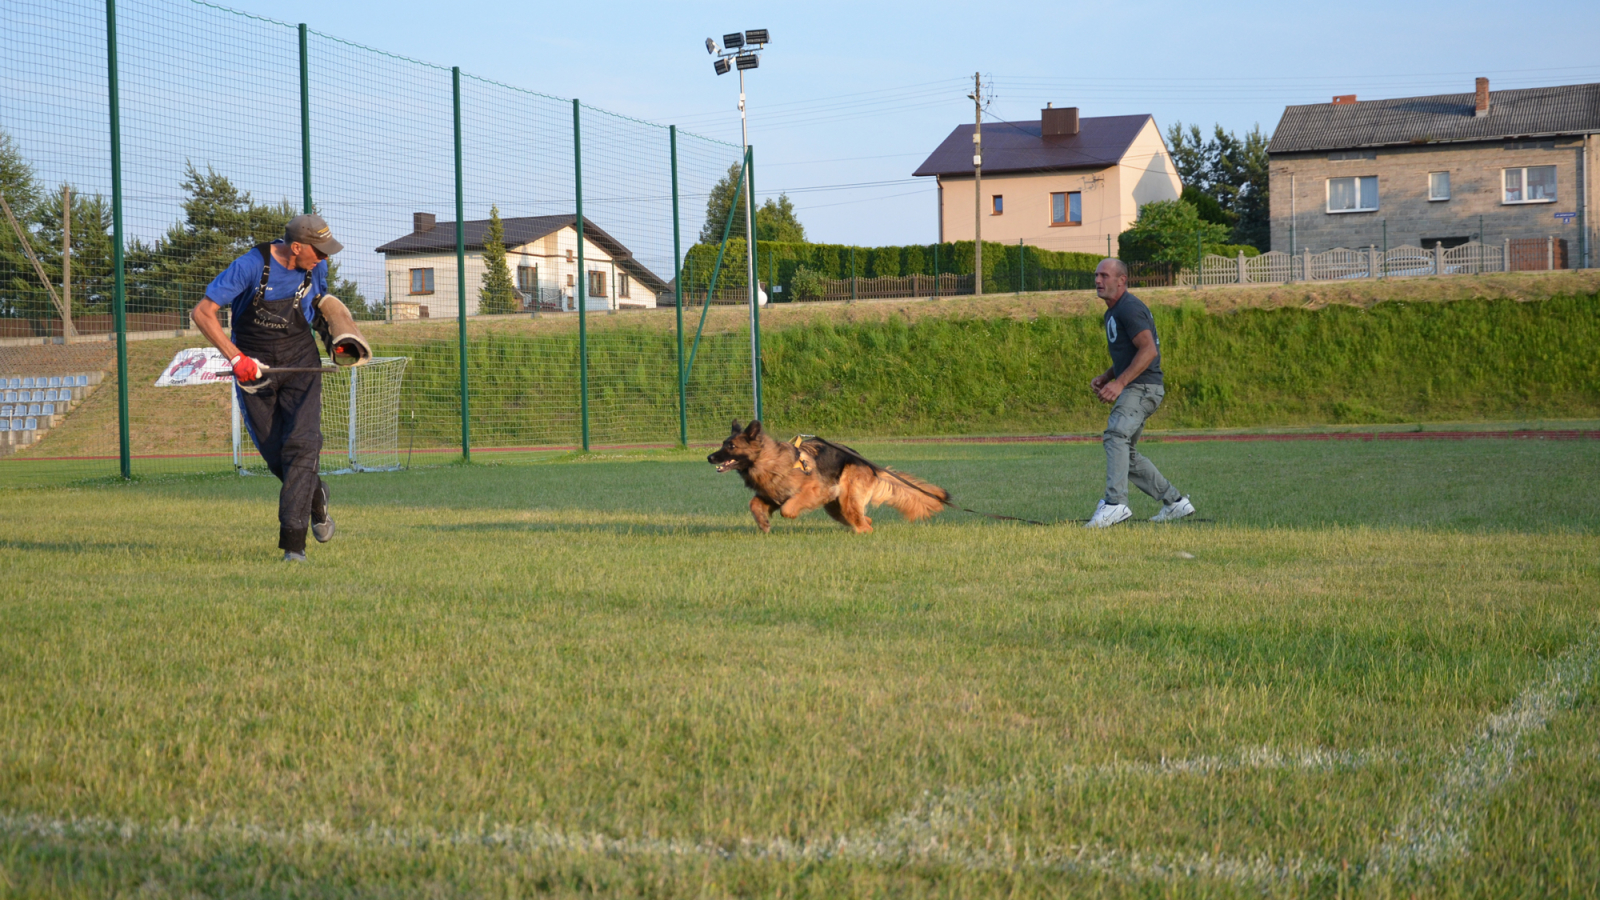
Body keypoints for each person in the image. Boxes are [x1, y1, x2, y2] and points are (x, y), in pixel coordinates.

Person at [191, 214, 343, 560]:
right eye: (320, 251)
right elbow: (202, 313)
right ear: (297, 247)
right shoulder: (249, 266)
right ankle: (316, 497)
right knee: (278, 455)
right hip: (254, 368)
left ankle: (294, 546)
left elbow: (317, 308)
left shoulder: (316, 268)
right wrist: (236, 358)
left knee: (303, 445)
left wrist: (339, 341)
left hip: (301, 361)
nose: (325, 258)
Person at [1084, 258, 1194, 528]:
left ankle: (1115, 504)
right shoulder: (1114, 311)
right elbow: (1131, 353)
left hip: (1142, 387)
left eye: (1105, 276)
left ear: (1122, 280)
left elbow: (1148, 350)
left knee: (1115, 436)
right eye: (1097, 275)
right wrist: (1108, 376)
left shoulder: (1129, 308)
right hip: (1141, 386)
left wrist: (1120, 383)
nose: (1098, 280)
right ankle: (1175, 502)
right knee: (1126, 453)